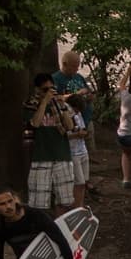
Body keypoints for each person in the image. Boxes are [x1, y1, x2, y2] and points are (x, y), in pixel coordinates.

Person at [24, 73, 78, 213]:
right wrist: (44, 102)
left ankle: (61, 230)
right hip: (41, 157)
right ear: (37, 89)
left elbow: (70, 126)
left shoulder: (60, 105)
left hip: (62, 156)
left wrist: (63, 107)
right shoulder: (31, 104)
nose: (49, 92)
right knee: (39, 203)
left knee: (65, 201)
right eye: (45, 89)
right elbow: (35, 123)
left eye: (51, 88)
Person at [52, 51, 92, 207]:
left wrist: (88, 95)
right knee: (77, 181)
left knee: (83, 180)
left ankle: (80, 204)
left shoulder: (79, 77)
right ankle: (74, 206)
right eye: (74, 66)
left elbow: (87, 92)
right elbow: (55, 98)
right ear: (65, 64)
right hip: (71, 145)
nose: (77, 69)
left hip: (83, 121)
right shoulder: (56, 79)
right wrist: (75, 94)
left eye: (78, 65)